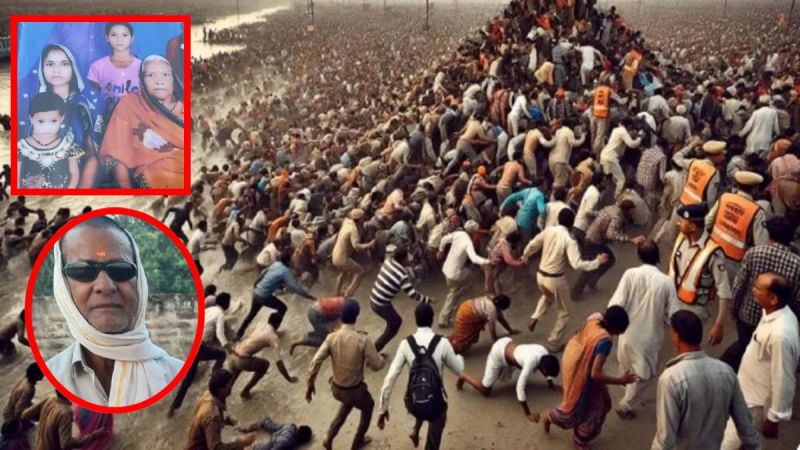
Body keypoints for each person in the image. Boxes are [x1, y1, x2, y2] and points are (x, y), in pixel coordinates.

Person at [46, 216, 183, 407]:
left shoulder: (176, 375)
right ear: (62, 286)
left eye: (121, 269)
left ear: (140, 282)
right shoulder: (50, 378)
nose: (105, 286)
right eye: (83, 271)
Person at [651, 310, 759, 450]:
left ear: (676, 336)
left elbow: (665, 438)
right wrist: (753, 445)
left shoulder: (671, 378)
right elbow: (744, 421)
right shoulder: (726, 372)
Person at [721, 273, 800, 448]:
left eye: (758, 288)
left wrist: (775, 417)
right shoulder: (773, 314)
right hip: (746, 393)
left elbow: (784, 378)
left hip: (754, 404)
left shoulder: (781, 335)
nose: (753, 290)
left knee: (727, 445)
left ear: (773, 299)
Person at [542, 307, 638, 450]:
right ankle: (550, 418)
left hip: (574, 360)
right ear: (617, 329)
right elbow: (595, 374)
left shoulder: (595, 317)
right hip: (582, 374)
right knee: (572, 411)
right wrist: (620, 380)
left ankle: (579, 439)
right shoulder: (605, 342)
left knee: (598, 406)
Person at [608, 240, 680, 419]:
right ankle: (626, 405)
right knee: (646, 375)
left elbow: (615, 304)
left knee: (626, 367)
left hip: (626, 334)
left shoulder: (630, 274)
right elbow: (674, 316)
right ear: (658, 258)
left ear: (639, 256)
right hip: (649, 339)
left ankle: (627, 393)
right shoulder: (666, 282)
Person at [378, 303, 464, 449]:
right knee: (435, 424)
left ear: (416, 320)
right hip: (436, 403)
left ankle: (415, 429)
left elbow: (390, 378)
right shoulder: (442, 343)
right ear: (432, 319)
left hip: (413, 403)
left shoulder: (406, 344)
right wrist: (460, 357)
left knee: (421, 393)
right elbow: (458, 370)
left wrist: (382, 409)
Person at [721, 217, 800, 371]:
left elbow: (739, 285)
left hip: (747, 317)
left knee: (745, 345)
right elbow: (797, 300)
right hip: (775, 322)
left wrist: (733, 309)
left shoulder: (754, 253)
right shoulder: (797, 265)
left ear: (769, 234)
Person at [523, 208, 606, 351]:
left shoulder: (549, 230)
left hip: (540, 276)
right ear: (572, 223)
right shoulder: (569, 240)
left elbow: (533, 244)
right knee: (566, 313)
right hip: (556, 280)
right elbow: (577, 264)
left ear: (558, 219)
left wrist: (525, 256)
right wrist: (597, 262)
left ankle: (536, 315)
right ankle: (554, 343)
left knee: (547, 296)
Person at [307, 300, 386, 450]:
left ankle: (329, 435)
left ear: (341, 316)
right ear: (356, 316)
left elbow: (316, 361)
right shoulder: (363, 339)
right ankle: (357, 442)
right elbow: (376, 366)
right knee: (368, 406)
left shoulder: (331, 337)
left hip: (336, 388)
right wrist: (381, 360)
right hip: (355, 390)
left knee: (347, 405)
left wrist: (310, 384)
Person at [99, 55, 184, 189]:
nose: (159, 81)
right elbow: (115, 154)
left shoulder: (189, 107)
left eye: (165, 75)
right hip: (156, 177)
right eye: (151, 75)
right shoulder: (130, 104)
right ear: (142, 81)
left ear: (173, 79)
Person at [32, 44, 105, 188]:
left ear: (73, 68)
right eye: (50, 64)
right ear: (42, 68)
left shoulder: (83, 106)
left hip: (80, 180)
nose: (56, 70)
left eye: (64, 64)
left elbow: (93, 156)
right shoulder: (36, 106)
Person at [456, 336, 560, 423]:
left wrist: (551, 384)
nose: (546, 375)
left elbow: (546, 370)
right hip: (498, 353)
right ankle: (463, 376)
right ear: (543, 367)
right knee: (485, 390)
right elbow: (520, 387)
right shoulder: (531, 361)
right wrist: (528, 414)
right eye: (546, 374)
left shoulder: (545, 353)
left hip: (507, 343)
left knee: (498, 379)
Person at [667, 204, 731, 346]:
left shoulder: (713, 253)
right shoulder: (681, 239)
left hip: (695, 310)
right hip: (674, 302)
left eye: (682, 221)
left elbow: (724, 291)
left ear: (693, 226)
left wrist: (719, 324)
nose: (678, 223)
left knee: (690, 346)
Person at [167, 292, 231, 418]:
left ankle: (173, 407)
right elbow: (219, 333)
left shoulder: (209, 309)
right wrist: (228, 346)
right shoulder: (220, 314)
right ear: (226, 304)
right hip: (198, 346)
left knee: (189, 378)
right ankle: (215, 379)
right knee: (222, 354)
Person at [572, 200, 645, 298]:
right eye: (631, 211)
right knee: (592, 265)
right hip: (594, 241)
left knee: (606, 259)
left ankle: (591, 281)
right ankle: (577, 292)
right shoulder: (617, 217)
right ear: (627, 210)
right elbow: (610, 234)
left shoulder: (610, 208)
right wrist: (631, 240)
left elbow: (596, 214)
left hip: (591, 237)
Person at [235, 249, 315, 338]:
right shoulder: (286, 272)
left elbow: (263, 273)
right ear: (289, 260)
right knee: (283, 308)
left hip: (257, 292)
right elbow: (296, 287)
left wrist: (256, 285)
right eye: (293, 257)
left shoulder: (276, 264)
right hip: (264, 296)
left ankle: (238, 335)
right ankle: (272, 330)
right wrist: (309, 296)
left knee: (251, 315)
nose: (295, 259)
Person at [706, 171, 769, 276]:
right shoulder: (757, 211)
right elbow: (761, 245)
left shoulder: (725, 197)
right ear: (755, 189)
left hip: (712, 249)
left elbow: (708, 221)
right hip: (733, 260)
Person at [369, 245, 432, 352]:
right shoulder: (402, 275)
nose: (411, 257)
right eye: (408, 256)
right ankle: (374, 351)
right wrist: (428, 300)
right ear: (403, 259)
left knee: (393, 323)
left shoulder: (389, 261)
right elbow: (413, 294)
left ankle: (374, 349)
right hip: (381, 304)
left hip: (374, 297)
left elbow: (390, 250)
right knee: (395, 323)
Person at [18, 92, 83, 189]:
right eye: (40, 121)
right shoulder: (21, 147)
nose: (47, 127)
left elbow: (74, 174)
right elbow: (16, 176)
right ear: (31, 119)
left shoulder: (69, 146)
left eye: (53, 121)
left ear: (62, 118)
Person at [230, 312, 297, 399]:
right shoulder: (273, 338)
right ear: (278, 324)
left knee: (231, 381)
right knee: (265, 365)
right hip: (243, 360)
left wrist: (277, 334)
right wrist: (288, 378)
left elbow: (256, 337)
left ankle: (219, 397)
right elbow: (278, 361)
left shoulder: (260, 324)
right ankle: (245, 391)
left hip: (234, 354)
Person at [184, 369, 256, 450]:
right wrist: (240, 443)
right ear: (222, 389)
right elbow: (215, 448)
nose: (231, 386)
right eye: (229, 384)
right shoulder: (212, 416)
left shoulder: (207, 395)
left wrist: (225, 421)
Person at [436, 220, 490, 328]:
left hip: (446, 270)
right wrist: (488, 261)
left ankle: (445, 317)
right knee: (470, 278)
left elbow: (444, 239)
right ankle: (466, 310)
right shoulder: (468, 242)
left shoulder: (459, 234)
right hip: (455, 274)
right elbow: (474, 259)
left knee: (454, 293)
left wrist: (441, 250)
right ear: (473, 232)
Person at [88, 22, 142, 113]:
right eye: (114, 35)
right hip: (108, 118)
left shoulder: (142, 66)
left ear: (132, 38)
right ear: (107, 38)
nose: (119, 39)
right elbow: (96, 97)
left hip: (136, 117)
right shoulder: (97, 66)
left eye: (124, 35)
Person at [448, 294, 518, 354]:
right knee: (462, 343)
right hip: (467, 314)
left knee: (463, 335)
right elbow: (492, 329)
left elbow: (501, 319)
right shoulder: (492, 310)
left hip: (466, 306)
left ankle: (447, 343)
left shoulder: (491, 297)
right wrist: (496, 341)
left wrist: (511, 331)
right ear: (501, 307)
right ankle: (447, 351)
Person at [332, 209, 376, 298]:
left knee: (343, 273)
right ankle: (347, 295)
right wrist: (369, 244)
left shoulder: (346, 223)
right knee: (360, 272)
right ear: (359, 219)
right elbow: (356, 247)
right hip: (342, 258)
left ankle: (335, 294)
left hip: (335, 255)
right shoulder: (353, 230)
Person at [600, 118, 642, 197]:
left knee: (611, 180)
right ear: (629, 126)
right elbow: (631, 144)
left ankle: (606, 196)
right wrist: (639, 138)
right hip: (611, 157)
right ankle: (616, 198)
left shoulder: (616, 130)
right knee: (621, 180)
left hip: (605, 155)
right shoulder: (623, 131)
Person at [235, 417, 312, 450]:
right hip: (276, 441)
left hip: (279, 432)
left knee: (265, 420)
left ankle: (245, 429)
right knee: (256, 447)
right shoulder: (289, 442)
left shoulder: (291, 426)